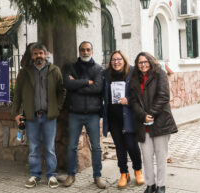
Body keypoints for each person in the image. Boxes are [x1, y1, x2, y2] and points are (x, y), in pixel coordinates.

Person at [12, 43, 66, 189]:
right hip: (31, 117)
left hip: (49, 117)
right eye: (35, 54)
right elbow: (17, 94)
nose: (38, 56)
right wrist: (16, 113)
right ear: (32, 56)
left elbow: (62, 91)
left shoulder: (54, 70)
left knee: (49, 148)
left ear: (45, 54)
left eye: (40, 53)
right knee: (34, 148)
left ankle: (51, 175)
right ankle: (35, 175)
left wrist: (57, 107)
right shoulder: (25, 72)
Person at [129, 52, 178, 193]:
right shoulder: (134, 78)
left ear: (150, 61)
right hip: (142, 123)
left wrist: (150, 114)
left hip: (160, 121)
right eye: (140, 62)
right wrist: (143, 115)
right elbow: (133, 101)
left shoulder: (160, 74)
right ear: (137, 64)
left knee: (161, 156)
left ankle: (161, 186)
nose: (143, 64)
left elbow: (163, 96)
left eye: (145, 61)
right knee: (146, 156)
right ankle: (150, 185)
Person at [62, 41, 106, 189]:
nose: (85, 52)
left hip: (93, 114)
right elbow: (67, 84)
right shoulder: (71, 67)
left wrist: (77, 85)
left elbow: (98, 88)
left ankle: (97, 176)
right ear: (79, 51)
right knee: (72, 146)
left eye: (88, 50)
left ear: (92, 51)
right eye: (82, 50)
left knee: (97, 147)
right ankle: (71, 175)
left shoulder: (99, 69)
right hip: (75, 113)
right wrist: (87, 82)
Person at [102, 50, 145, 189]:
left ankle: (137, 170)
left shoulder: (132, 72)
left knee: (132, 145)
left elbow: (141, 93)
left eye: (119, 59)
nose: (116, 62)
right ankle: (123, 173)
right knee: (120, 147)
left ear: (124, 60)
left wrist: (130, 100)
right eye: (113, 60)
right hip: (114, 117)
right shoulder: (106, 75)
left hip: (129, 117)